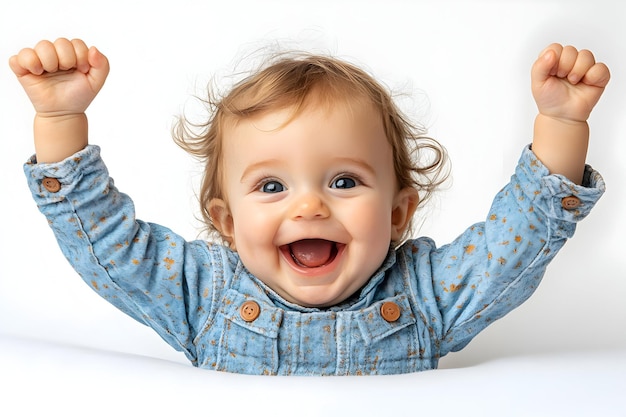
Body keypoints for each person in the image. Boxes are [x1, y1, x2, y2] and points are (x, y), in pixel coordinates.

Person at [10, 38, 609, 375]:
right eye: (271, 187)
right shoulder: (200, 296)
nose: (310, 205)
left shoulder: (426, 296)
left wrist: (559, 124)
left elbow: (514, 246)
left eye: (345, 181)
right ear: (226, 221)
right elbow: (108, 245)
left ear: (399, 213)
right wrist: (62, 121)